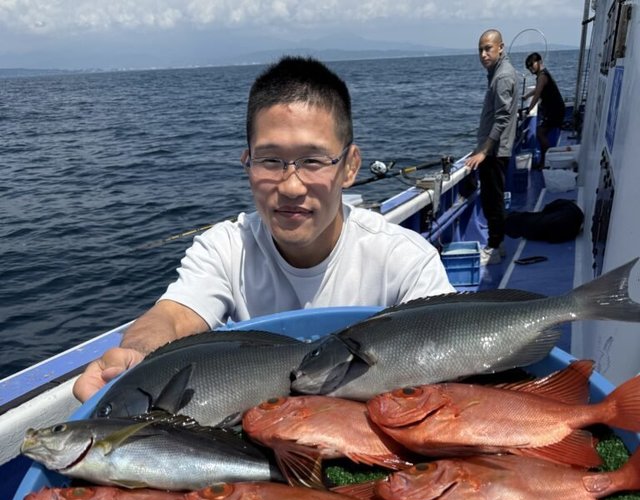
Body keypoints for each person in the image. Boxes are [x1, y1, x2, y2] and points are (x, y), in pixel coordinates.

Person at [73, 55, 453, 403]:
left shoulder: (405, 261)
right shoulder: (225, 248)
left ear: (350, 167)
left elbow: (449, 354)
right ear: (247, 164)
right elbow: (173, 316)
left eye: (313, 160)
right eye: (270, 160)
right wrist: (136, 354)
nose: (290, 186)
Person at [465, 30, 519, 267]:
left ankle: (495, 247)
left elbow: (502, 118)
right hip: (494, 149)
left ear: (501, 47)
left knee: (492, 200)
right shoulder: (497, 73)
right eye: (480, 49)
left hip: (495, 152)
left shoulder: (502, 77)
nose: (484, 54)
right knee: (492, 199)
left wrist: (484, 151)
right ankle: (498, 243)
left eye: (488, 48)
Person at [524, 52, 566, 168]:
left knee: (540, 132)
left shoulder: (542, 76)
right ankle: (546, 160)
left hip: (555, 110)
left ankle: (546, 161)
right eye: (528, 67)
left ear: (539, 62)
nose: (530, 68)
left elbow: (537, 95)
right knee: (541, 132)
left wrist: (529, 109)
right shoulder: (543, 75)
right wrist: (527, 96)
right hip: (554, 109)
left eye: (531, 64)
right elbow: (538, 89)